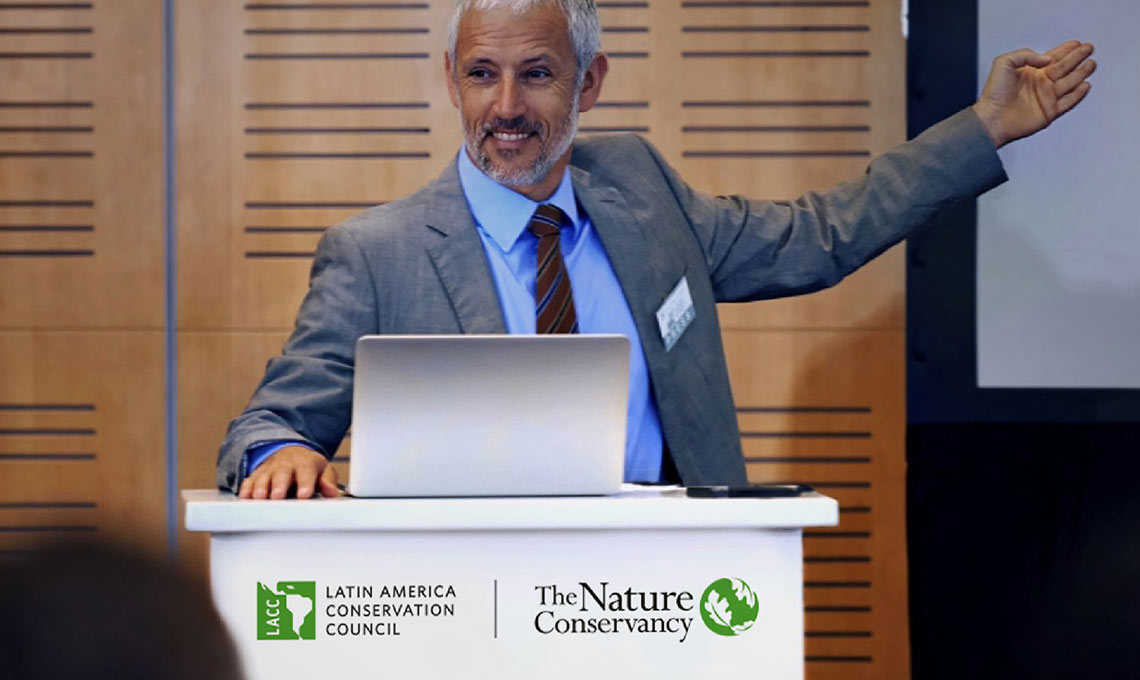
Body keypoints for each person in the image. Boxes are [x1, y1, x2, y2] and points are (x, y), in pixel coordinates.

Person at [217, 0, 1095, 499]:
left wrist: (984, 130)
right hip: (466, 601)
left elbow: (819, 235)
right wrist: (279, 453)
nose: (507, 107)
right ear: (453, 80)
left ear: (589, 82)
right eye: (482, 74)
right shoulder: (376, 252)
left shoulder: (642, 193)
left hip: (660, 596)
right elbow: (268, 423)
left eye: (539, 73)